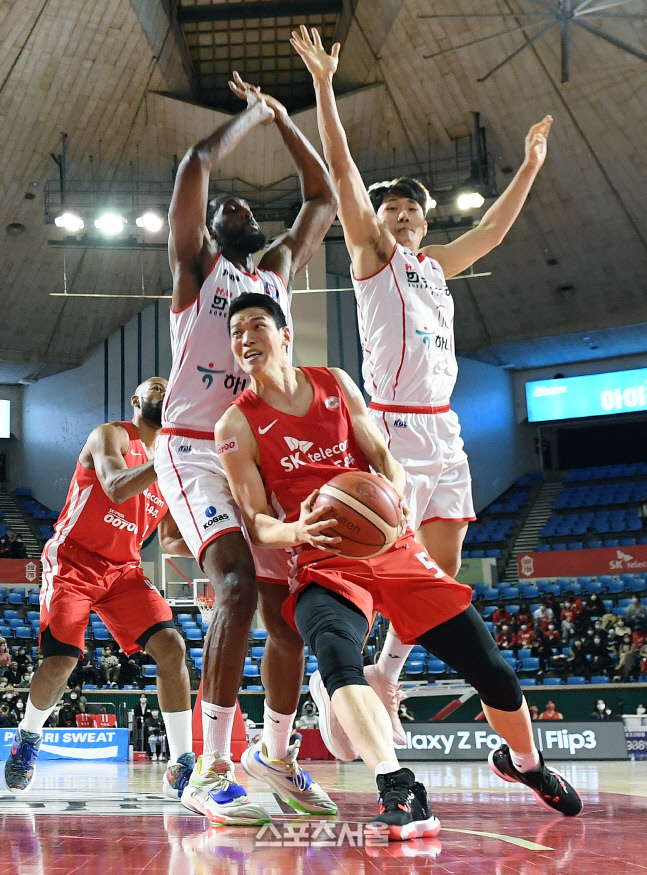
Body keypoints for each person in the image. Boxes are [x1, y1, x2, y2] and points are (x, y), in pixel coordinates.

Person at [213, 293, 581, 837]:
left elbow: (384, 457)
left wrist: (398, 491)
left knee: (491, 670)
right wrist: (297, 531)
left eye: (257, 326)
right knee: (337, 660)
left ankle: (526, 764)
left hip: (393, 547)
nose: (246, 339)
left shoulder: (335, 384)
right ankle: (399, 788)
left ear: (285, 334)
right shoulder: (235, 424)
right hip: (320, 561)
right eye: (236, 331)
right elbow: (257, 521)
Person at [291, 25, 553, 744]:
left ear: (424, 219)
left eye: (410, 209)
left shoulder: (435, 266)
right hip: (393, 425)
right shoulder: (373, 261)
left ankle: (385, 673)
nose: (400, 216)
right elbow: (343, 175)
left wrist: (528, 165)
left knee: (441, 567)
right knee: (381, 557)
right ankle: (333, 670)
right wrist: (322, 86)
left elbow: (493, 232)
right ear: (373, 223)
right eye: (389, 210)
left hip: (443, 426)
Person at [154, 72, 338, 826]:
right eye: (223, 206)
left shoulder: (276, 275)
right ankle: (210, 766)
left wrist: (291, 121)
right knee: (231, 587)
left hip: (255, 454)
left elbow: (321, 198)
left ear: (255, 227)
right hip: (194, 448)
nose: (231, 203)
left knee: (286, 615)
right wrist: (252, 116)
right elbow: (196, 161)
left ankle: (276, 754)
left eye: (243, 205)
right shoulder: (198, 269)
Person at [4, 378, 194, 800]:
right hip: (73, 559)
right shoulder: (111, 435)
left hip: (122, 571)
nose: (163, 391)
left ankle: (182, 762)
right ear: (137, 401)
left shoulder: (168, 466)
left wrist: (220, 544)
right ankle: (29, 738)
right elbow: (115, 485)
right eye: (155, 386)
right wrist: (172, 464)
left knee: (173, 647)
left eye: (168, 387)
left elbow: (169, 541)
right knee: (61, 662)